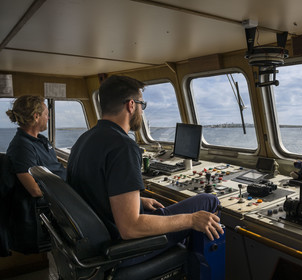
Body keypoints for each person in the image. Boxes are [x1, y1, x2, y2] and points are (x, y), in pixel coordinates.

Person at [66, 75, 224, 265]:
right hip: (120, 249)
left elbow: (92, 190)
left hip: (95, 241)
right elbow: (130, 228)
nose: (142, 110)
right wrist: (191, 220)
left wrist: (136, 200)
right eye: (142, 105)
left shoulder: (84, 139)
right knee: (208, 201)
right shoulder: (123, 146)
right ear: (131, 105)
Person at [6, 95, 66, 197]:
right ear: (36, 116)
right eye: (46, 114)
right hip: (58, 200)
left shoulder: (41, 140)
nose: (48, 118)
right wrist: (66, 194)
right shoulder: (21, 147)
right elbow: (35, 191)